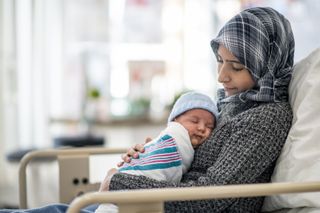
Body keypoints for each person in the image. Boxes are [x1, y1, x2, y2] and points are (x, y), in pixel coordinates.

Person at [0, 6, 294, 213]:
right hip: (153, 200)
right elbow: (193, 157)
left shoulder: (267, 117)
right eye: (219, 60)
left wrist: (120, 180)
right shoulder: (232, 104)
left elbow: (212, 197)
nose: (221, 77)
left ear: (268, 65)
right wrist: (157, 152)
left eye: (237, 66)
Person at [95, 91, 219, 213]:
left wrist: (114, 179)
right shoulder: (174, 139)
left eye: (209, 127)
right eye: (194, 121)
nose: (202, 128)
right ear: (175, 122)